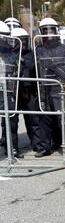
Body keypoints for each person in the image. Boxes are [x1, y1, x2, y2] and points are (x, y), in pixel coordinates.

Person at [34, 18, 65, 162]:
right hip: (44, 90)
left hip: (61, 90)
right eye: (45, 30)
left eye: (51, 29)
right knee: (44, 121)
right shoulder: (38, 49)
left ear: (56, 30)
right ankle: (45, 147)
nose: (48, 33)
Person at [10, 27, 40, 154]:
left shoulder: (31, 54)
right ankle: (12, 147)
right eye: (21, 41)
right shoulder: (9, 55)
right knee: (12, 121)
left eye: (25, 40)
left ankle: (37, 144)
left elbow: (34, 71)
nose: (24, 43)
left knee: (33, 120)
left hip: (29, 92)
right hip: (14, 92)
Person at [0, 20, 20, 157]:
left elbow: (17, 69)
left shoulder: (11, 53)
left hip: (7, 90)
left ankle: (11, 148)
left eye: (5, 37)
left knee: (10, 121)